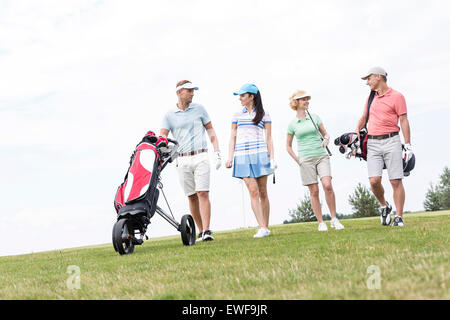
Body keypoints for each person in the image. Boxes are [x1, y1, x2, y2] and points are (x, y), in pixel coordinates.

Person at [160, 80, 222, 241]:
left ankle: (207, 230)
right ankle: (200, 231)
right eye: (189, 91)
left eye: (193, 91)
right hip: (182, 159)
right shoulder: (169, 115)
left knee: (203, 192)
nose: (193, 93)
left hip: (201, 155)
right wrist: (162, 148)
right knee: (192, 196)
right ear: (179, 92)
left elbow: (210, 130)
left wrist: (217, 151)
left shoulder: (200, 109)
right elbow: (162, 137)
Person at [356, 67, 412, 227]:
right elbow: (364, 117)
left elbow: (404, 120)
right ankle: (384, 206)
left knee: (395, 180)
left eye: (369, 79)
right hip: (372, 143)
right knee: (374, 181)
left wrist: (407, 145)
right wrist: (356, 132)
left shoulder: (397, 96)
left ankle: (399, 217)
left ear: (378, 77)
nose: (367, 83)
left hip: (392, 140)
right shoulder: (370, 98)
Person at [286, 90, 344, 231]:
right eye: (303, 99)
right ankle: (320, 222)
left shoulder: (315, 117)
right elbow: (288, 146)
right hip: (305, 159)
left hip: (321, 156)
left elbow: (325, 134)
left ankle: (334, 219)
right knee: (314, 191)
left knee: (327, 185)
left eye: (307, 99)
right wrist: (298, 160)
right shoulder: (293, 124)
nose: (306, 101)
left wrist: (326, 139)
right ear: (296, 103)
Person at [225, 83, 276, 238]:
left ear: (252, 96)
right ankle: (262, 227)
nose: (240, 98)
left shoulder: (264, 114)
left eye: (242, 95)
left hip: (260, 154)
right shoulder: (236, 114)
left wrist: (272, 157)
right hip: (241, 156)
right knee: (253, 191)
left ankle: (265, 227)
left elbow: (269, 138)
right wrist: (230, 157)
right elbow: (232, 136)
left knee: (262, 192)